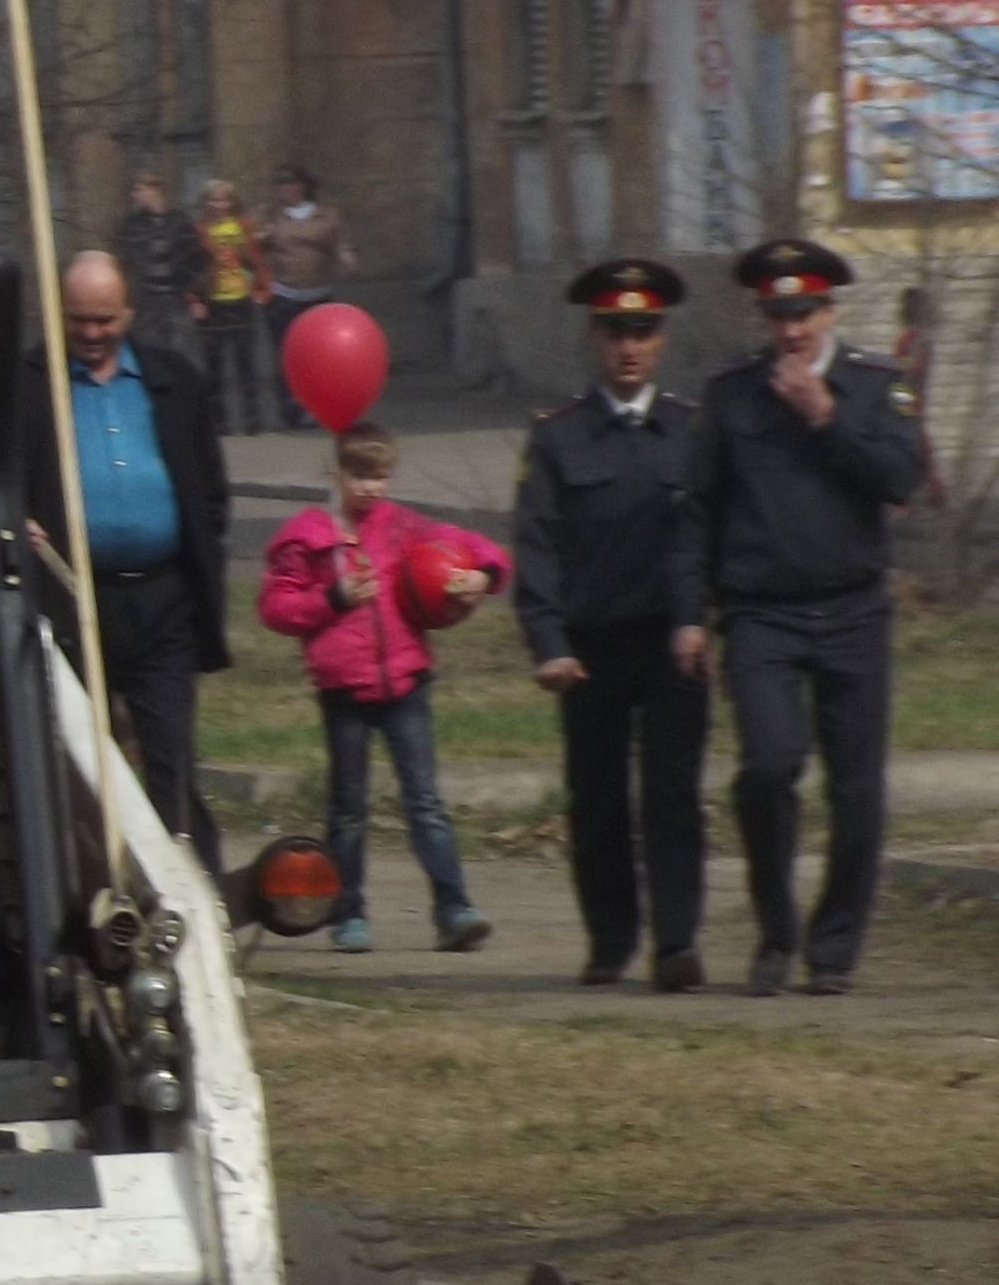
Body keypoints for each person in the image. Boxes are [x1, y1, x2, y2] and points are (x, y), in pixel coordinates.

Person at [683, 238, 928, 996]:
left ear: (829, 312)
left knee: (856, 792)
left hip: (854, 612)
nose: (791, 330)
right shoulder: (733, 393)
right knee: (767, 765)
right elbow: (698, 511)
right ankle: (775, 931)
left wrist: (826, 416)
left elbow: (902, 478)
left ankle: (833, 950)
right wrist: (690, 615)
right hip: (763, 614)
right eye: (777, 315)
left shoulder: (874, 385)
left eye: (804, 314)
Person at [512, 260, 713, 993]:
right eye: (615, 331)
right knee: (596, 799)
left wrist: (706, 620)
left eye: (643, 330)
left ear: (662, 339)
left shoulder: (691, 430)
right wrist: (548, 643)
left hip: (673, 645)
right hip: (591, 649)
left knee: (672, 795)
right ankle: (610, 941)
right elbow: (537, 546)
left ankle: (677, 942)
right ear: (593, 338)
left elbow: (713, 534)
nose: (630, 346)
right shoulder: (559, 436)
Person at [259, 424, 507, 954]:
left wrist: (484, 574)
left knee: (426, 802)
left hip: (406, 682)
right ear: (336, 473)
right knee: (349, 809)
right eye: (358, 475)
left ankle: (454, 908)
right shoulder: (309, 535)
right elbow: (276, 606)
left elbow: (473, 545)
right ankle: (348, 913)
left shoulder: (402, 526)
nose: (370, 487)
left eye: (380, 476)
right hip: (344, 690)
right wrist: (334, 598)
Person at [19, 251, 234, 859]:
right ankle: (97, 882)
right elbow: (0, 478)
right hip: (69, 600)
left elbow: (209, 491)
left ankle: (192, 889)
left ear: (130, 312)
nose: (91, 333)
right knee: (80, 764)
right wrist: (19, 520)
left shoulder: (174, 381)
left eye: (105, 320)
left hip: (163, 604)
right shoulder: (29, 384)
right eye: (79, 320)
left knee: (171, 759)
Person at [255, 164, 361, 427]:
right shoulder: (271, 216)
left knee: (318, 354)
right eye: (280, 184)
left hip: (318, 295)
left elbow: (339, 243)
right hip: (284, 295)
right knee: (290, 354)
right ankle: (292, 408)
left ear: (302, 186)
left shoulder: (325, 216)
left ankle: (318, 404)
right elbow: (250, 249)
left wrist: (346, 257)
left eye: (289, 183)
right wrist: (260, 238)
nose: (284, 189)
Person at [193, 176, 272, 435]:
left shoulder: (242, 225)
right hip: (213, 301)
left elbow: (256, 259)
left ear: (231, 202)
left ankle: (252, 418)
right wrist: (195, 299)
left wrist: (262, 286)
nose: (219, 205)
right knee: (214, 364)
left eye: (224, 200)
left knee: (245, 361)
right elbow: (192, 266)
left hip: (241, 298)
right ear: (206, 202)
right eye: (214, 200)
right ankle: (219, 420)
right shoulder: (200, 229)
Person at [112, 171, 211, 373]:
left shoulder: (179, 222)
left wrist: (197, 296)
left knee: (186, 357)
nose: (135, 195)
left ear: (154, 190)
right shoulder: (132, 226)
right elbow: (122, 263)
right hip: (145, 304)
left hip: (176, 301)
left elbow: (199, 260)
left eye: (139, 189)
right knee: (148, 356)